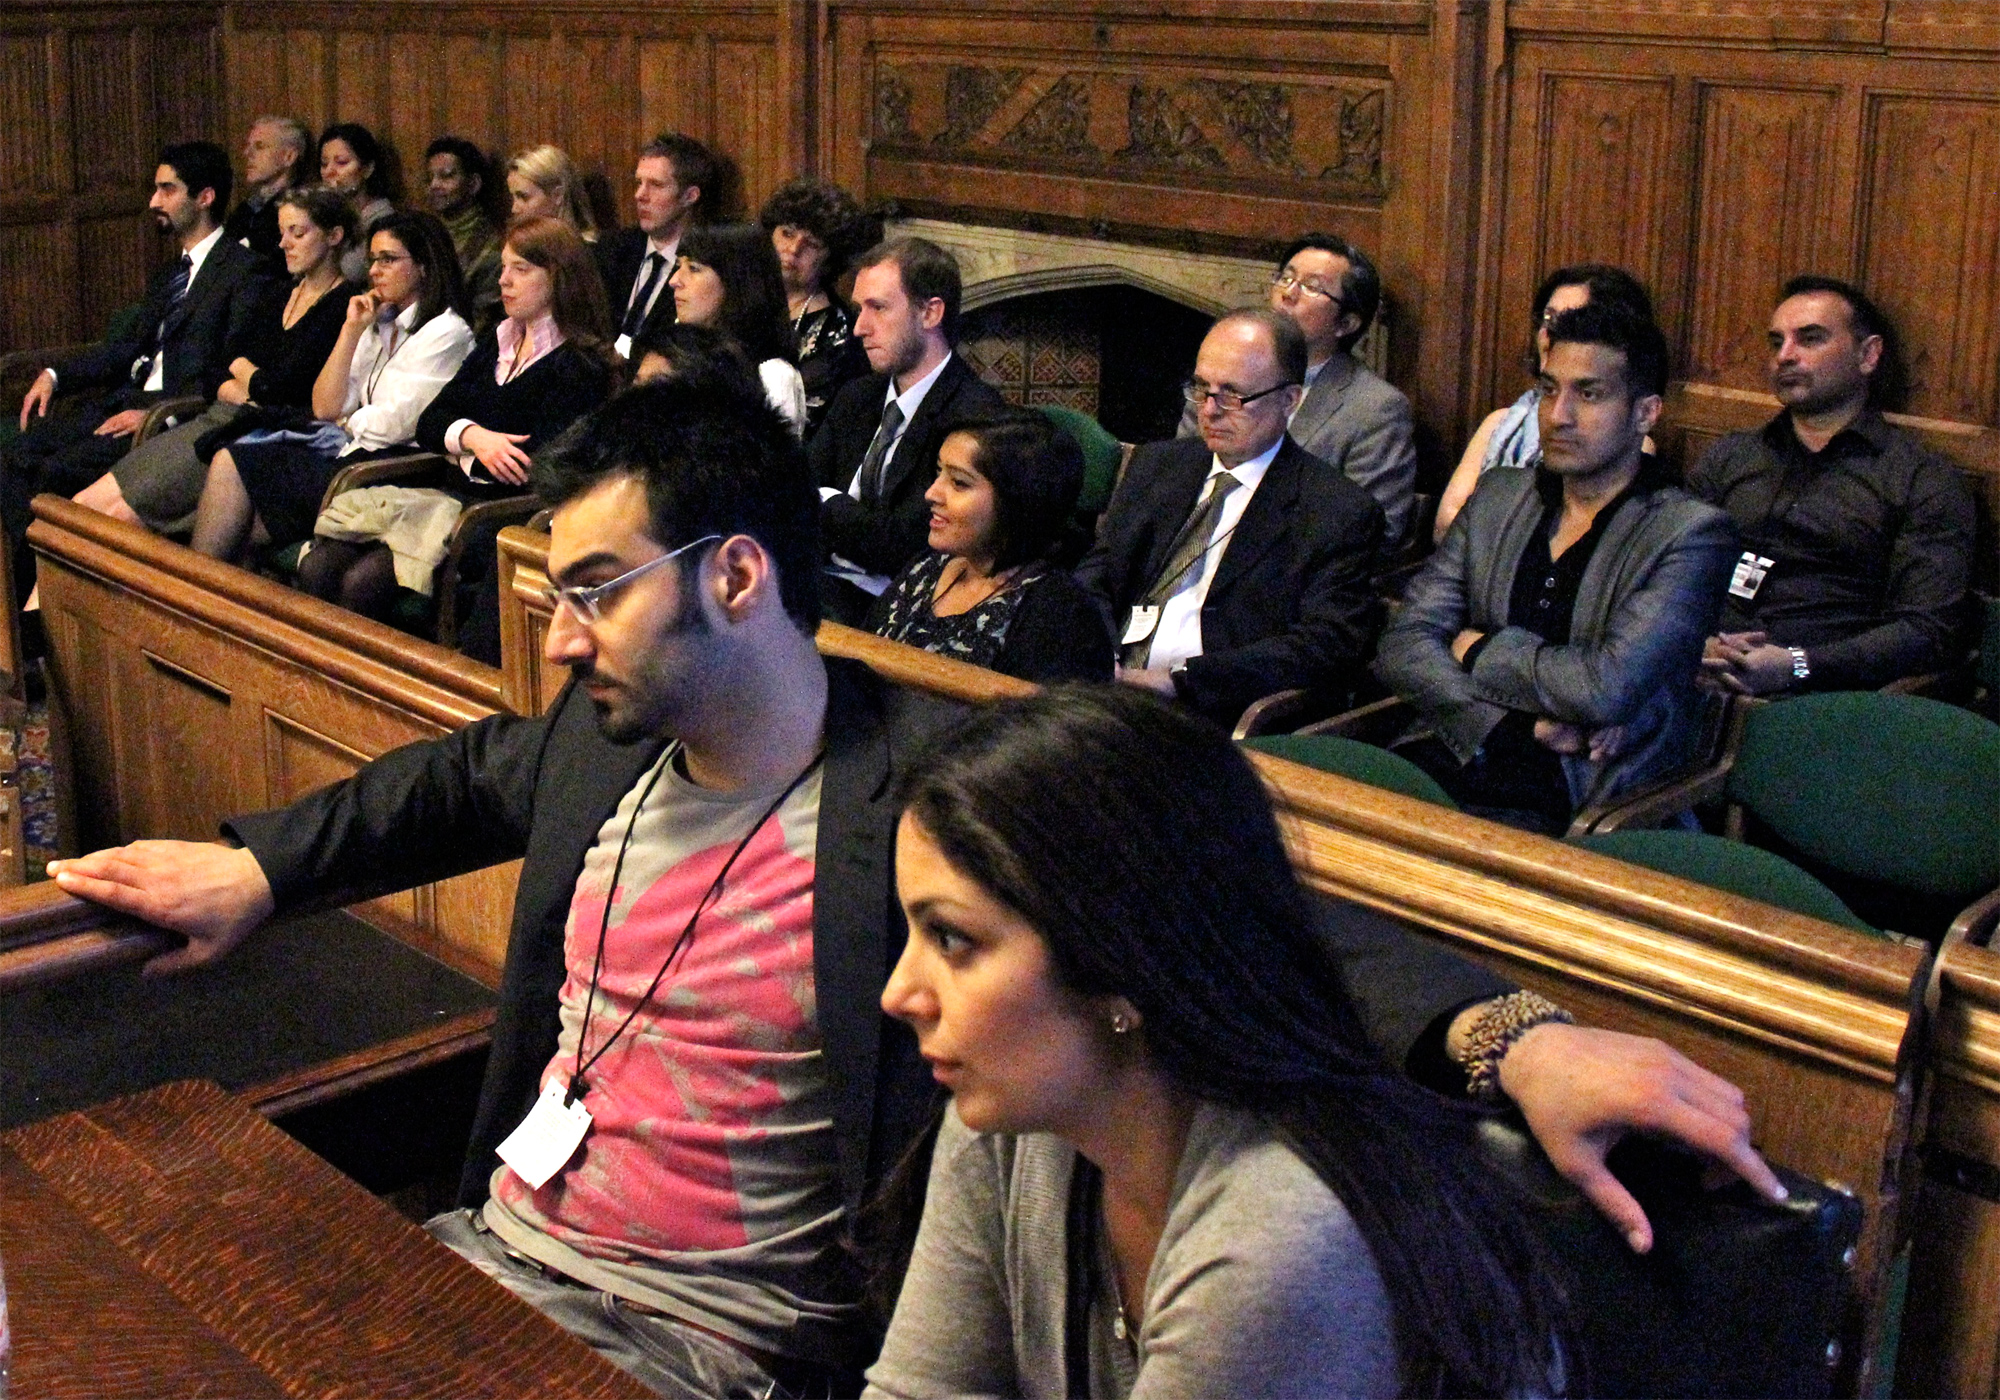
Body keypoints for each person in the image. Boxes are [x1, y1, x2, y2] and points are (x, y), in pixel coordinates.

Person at [45, 378, 1782, 1393]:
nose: (554, 634)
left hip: (696, 1353)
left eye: (589, 590)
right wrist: (257, 865)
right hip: (483, 1252)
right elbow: (448, 782)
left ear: (735, 576)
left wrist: (1512, 1036)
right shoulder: (599, 738)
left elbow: (1224, 911)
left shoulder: (925, 814)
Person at [867, 685, 1570, 1396]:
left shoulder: (1274, 1241)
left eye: (952, 939)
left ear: (1117, 961)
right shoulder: (1021, 1107)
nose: (899, 993)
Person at [1375, 302, 1737, 835]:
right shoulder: (1499, 495)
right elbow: (1404, 642)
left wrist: (1475, 647)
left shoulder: (1689, 533)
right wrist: (1512, 725)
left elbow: (1604, 688)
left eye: (1588, 394)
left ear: (1646, 412)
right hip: (1456, 744)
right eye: (1548, 389)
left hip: (1581, 794)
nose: (1558, 415)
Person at [301, 215, 616, 656]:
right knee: (319, 567)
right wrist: (472, 438)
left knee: (361, 581)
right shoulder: (498, 341)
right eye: (503, 267)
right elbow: (432, 420)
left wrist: (461, 447)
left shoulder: (582, 365)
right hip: (446, 497)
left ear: (560, 277)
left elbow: (532, 466)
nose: (503, 281)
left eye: (521, 270)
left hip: (496, 518)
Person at [1075, 307, 1384, 728]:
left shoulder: (1335, 510)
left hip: (1212, 711)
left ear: (1289, 400)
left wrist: (1177, 682)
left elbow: (1324, 644)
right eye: (1202, 389)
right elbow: (1098, 573)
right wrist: (1098, 654)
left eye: (1233, 395)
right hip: (1106, 686)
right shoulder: (1158, 466)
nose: (1210, 410)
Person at [4, 140, 277, 601]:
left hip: (164, 418)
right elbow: (122, 350)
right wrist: (55, 375)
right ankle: (12, 606)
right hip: (122, 403)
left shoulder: (245, 271)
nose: (154, 201)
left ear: (204, 197)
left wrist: (162, 412)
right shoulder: (173, 273)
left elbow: (223, 370)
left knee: (52, 474)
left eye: (166, 190)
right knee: (12, 455)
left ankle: (44, 611)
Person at [1689, 276, 1976, 695]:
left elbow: (1928, 632)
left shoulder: (1921, 480)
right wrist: (1696, 643)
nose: (1784, 356)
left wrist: (1798, 665)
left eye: (1810, 339)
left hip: (1821, 696)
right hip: (1695, 674)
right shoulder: (1730, 457)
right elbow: (1666, 570)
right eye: (1776, 342)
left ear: (1868, 355)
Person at [72, 184, 362, 536]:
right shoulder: (278, 292)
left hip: (259, 438)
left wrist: (247, 375)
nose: (284, 243)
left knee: (114, 520)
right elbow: (219, 368)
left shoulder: (345, 306)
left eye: (297, 233)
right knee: (80, 507)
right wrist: (250, 386)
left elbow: (287, 389)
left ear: (334, 235)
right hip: (219, 417)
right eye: (281, 232)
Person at [189, 210, 472, 564]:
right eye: (372, 260)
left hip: (393, 469)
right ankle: (205, 601)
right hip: (348, 453)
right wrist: (351, 330)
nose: (373, 271)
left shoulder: (447, 333)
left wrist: (348, 420)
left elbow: (396, 425)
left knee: (239, 502)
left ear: (424, 266)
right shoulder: (376, 321)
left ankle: (200, 598)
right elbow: (326, 406)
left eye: (388, 259)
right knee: (231, 465)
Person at [809, 237, 1007, 624]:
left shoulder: (975, 417)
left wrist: (828, 502)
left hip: (901, 609)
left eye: (878, 308)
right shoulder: (858, 397)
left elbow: (903, 546)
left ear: (930, 313)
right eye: (858, 309)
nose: (859, 329)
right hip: (821, 580)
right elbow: (794, 491)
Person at [1176, 233, 1416, 546]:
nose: (1288, 294)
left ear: (1346, 324)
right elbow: (1180, 474)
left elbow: (1377, 530)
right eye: (1286, 278)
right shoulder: (1221, 374)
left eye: (1312, 287)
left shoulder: (1375, 409)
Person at [869, 411, 1112, 683]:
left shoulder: (1061, 616)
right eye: (939, 473)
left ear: (1017, 502)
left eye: (959, 483)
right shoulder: (927, 567)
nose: (931, 493)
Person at [1434, 264, 1656, 543]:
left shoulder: (1626, 442)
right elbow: (1446, 524)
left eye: (1572, 321)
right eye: (1548, 318)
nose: (1552, 333)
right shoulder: (1500, 421)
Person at [758, 178, 878, 436]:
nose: (793, 249)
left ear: (830, 258)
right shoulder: (744, 298)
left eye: (811, 244)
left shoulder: (837, 329)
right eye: (787, 233)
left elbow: (811, 423)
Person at [667, 222, 807, 435]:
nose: (674, 280)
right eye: (679, 266)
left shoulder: (771, 377)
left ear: (736, 280)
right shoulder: (676, 351)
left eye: (693, 268)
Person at [598, 133, 716, 359]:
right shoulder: (612, 248)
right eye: (639, 183)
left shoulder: (702, 264)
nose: (639, 195)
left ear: (690, 196)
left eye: (656, 185)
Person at [427, 136, 502, 331]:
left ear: (473, 184)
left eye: (446, 176)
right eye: (430, 178)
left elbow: (483, 323)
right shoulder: (428, 232)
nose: (434, 185)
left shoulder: (490, 243)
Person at [224, 116, 312, 271]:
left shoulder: (302, 209)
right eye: (248, 146)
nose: (247, 153)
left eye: (259, 146)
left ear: (289, 157)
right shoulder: (244, 211)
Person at [319, 123, 398, 282]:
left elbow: (350, 273)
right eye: (324, 163)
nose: (329, 172)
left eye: (341, 162)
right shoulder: (326, 214)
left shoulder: (382, 219)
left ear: (367, 169)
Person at [505, 144, 598, 241]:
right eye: (513, 197)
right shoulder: (519, 249)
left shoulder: (590, 252)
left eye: (524, 197)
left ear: (557, 195)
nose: (514, 209)